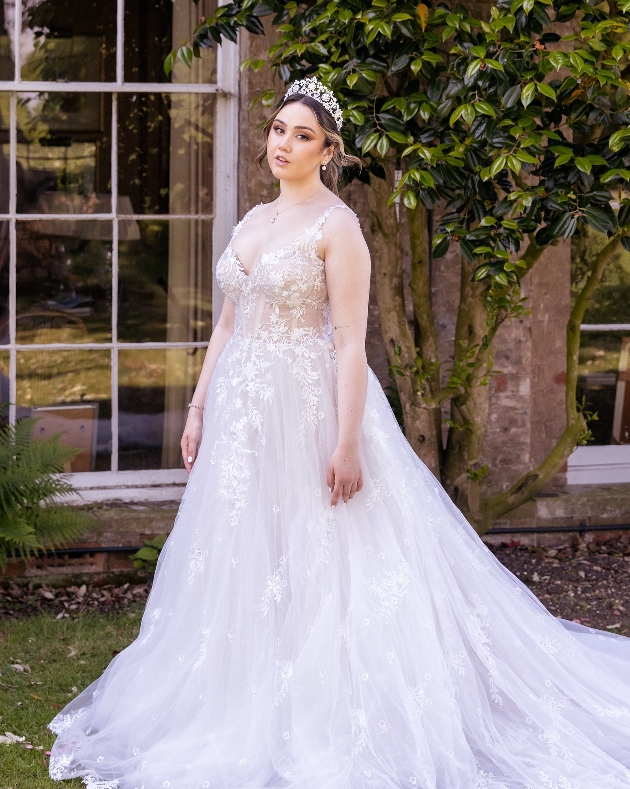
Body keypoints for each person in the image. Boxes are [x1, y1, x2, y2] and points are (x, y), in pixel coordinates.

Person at [48, 76, 630, 789]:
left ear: (328, 151)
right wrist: (197, 409)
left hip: (311, 409)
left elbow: (351, 344)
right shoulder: (252, 221)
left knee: (322, 553)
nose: (283, 144)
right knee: (248, 553)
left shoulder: (339, 228)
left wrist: (347, 442)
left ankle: (323, 705)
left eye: (302, 135)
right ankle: (240, 695)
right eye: (278, 130)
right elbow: (227, 322)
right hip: (244, 416)